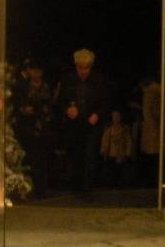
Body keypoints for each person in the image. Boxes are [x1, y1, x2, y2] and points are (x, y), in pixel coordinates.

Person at [57, 48, 112, 199]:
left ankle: (87, 189)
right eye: (80, 67)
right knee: (76, 155)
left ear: (91, 66)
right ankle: (77, 187)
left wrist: (97, 114)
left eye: (86, 68)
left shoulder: (99, 80)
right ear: (76, 66)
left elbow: (106, 103)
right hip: (74, 125)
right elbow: (60, 101)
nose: (83, 71)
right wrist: (68, 109)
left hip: (92, 125)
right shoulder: (68, 79)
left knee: (90, 155)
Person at [15, 60, 53, 199]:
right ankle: (30, 188)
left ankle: (41, 188)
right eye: (33, 70)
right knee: (30, 158)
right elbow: (19, 104)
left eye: (38, 71)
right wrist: (24, 110)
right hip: (28, 127)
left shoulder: (45, 87)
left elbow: (48, 105)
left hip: (42, 127)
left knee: (42, 159)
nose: (36, 73)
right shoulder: (24, 86)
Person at [139, 77, 162, 187]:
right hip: (154, 128)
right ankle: (153, 182)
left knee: (152, 156)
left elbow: (155, 111)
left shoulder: (151, 92)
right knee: (154, 156)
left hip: (152, 128)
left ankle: (151, 182)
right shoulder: (156, 90)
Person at [100, 110, 133, 187]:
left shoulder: (125, 129)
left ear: (121, 117)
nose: (115, 118)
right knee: (112, 170)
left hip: (121, 153)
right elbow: (105, 139)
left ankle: (120, 183)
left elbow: (128, 141)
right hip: (111, 153)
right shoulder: (109, 129)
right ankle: (112, 183)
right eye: (114, 116)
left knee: (120, 170)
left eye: (117, 116)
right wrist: (103, 150)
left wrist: (128, 152)